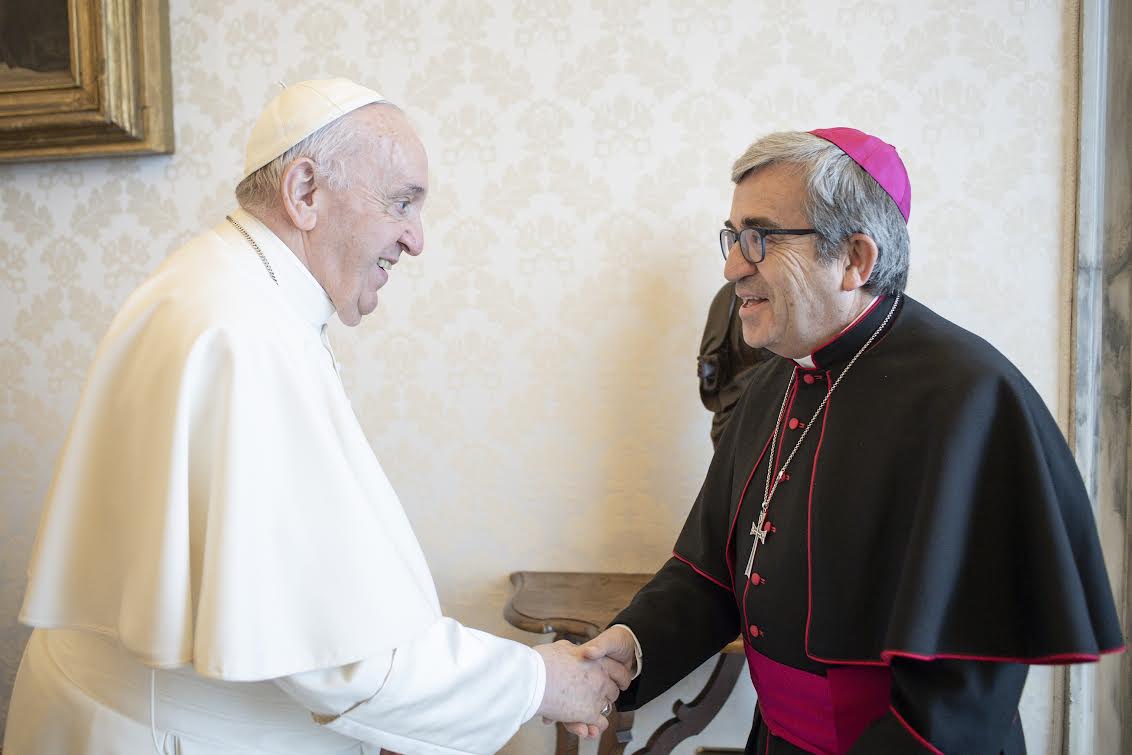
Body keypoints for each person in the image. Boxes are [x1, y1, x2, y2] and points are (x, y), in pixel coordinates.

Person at [3, 78, 628, 755]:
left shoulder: (226, 285)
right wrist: (539, 682)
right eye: (401, 203)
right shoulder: (245, 331)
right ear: (304, 192)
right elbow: (340, 658)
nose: (415, 239)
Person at [577, 127, 1125, 753]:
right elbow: (712, 572)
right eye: (732, 237)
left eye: (759, 238)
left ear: (855, 259)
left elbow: (959, 694)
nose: (732, 268)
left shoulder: (969, 398)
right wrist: (629, 648)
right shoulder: (771, 382)